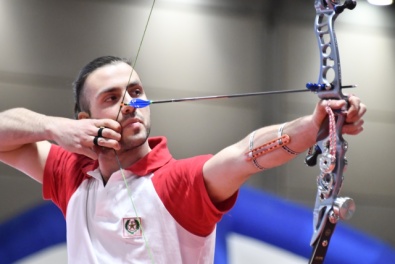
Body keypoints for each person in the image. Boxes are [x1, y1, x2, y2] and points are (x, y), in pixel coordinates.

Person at [0, 56, 366, 263]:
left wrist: (313, 126)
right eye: (112, 98)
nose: (131, 104)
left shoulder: (176, 182)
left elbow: (245, 155)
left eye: (137, 91)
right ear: (85, 120)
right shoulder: (73, 173)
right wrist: (52, 128)